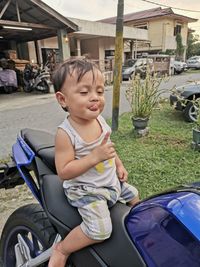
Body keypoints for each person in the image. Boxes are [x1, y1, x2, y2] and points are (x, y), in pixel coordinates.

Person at [48, 58, 139, 267]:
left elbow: (108, 147)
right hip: (86, 190)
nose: (95, 98)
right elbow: (63, 171)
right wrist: (93, 158)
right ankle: (63, 249)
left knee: (135, 197)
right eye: (84, 92)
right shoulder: (65, 134)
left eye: (99, 91)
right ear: (63, 99)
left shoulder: (99, 121)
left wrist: (119, 165)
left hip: (109, 182)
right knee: (100, 231)